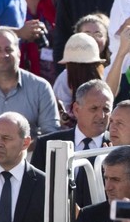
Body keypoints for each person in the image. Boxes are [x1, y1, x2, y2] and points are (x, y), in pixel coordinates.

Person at [0, 28, 60, 139]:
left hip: (29, 155)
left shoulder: (40, 88)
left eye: (8, 49)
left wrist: (22, 147)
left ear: (19, 54)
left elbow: (51, 134)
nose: (4, 55)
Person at [32, 79, 112, 207]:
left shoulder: (116, 148)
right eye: (94, 108)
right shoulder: (47, 144)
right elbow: (36, 192)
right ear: (76, 109)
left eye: (106, 109)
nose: (101, 115)